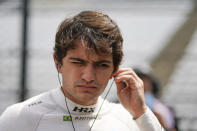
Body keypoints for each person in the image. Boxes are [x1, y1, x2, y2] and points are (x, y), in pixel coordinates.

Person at [0, 11, 164, 131]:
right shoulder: (19, 117)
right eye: (78, 62)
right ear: (58, 62)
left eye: (101, 65)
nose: (88, 76)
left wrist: (141, 113)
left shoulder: (129, 120)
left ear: (115, 70)